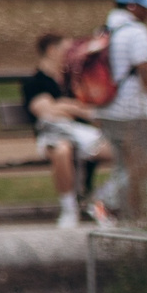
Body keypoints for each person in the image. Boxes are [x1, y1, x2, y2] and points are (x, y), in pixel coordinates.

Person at [21, 33, 111, 230]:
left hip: (81, 134)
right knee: (63, 149)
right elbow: (46, 111)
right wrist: (75, 107)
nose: (71, 54)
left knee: (124, 150)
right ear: (52, 50)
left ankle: (98, 200)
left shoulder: (72, 80)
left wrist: (63, 105)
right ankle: (69, 210)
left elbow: (88, 108)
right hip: (51, 135)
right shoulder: (36, 82)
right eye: (66, 49)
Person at [100, 0, 147, 221]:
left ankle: (128, 213)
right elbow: (145, 73)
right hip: (132, 110)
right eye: (144, 6)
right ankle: (105, 200)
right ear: (131, 6)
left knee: (123, 164)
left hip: (106, 109)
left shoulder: (105, 29)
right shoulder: (136, 32)